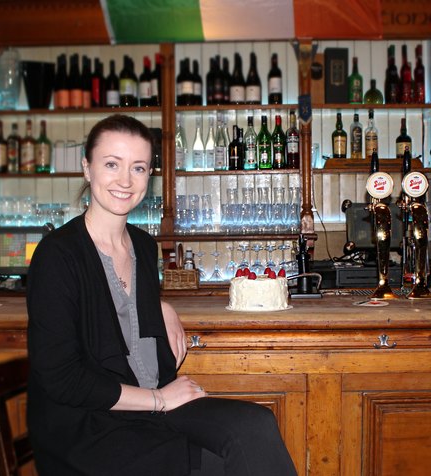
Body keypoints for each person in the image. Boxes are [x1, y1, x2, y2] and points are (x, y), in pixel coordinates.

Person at [26, 114, 297, 476]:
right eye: (111, 164)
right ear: (87, 168)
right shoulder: (57, 255)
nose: (125, 180)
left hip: (151, 407)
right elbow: (63, 379)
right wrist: (158, 399)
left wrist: (158, 303)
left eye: (138, 168)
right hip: (90, 427)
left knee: (256, 426)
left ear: (149, 176)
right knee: (221, 465)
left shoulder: (142, 244)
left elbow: (117, 305)